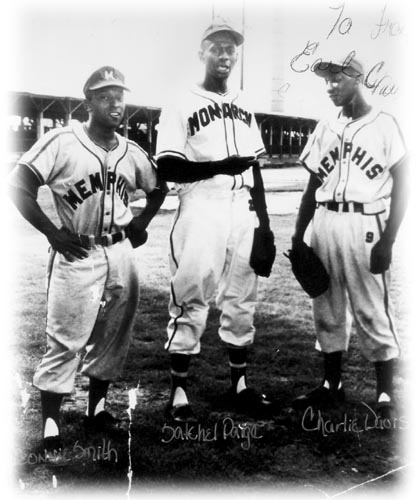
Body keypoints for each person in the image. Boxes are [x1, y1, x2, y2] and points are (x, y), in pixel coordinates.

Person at [9, 66, 167, 452]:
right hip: (77, 250)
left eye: (120, 95)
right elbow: (18, 185)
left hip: (120, 251)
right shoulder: (62, 141)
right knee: (65, 337)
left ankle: (95, 410)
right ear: (88, 102)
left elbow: (158, 187)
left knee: (115, 333)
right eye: (104, 95)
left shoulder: (132, 151)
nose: (115, 103)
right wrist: (52, 232)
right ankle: (50, 423)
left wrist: (141, 222)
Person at [156, 22, 273, 424]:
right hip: (202, 205)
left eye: (231, 50)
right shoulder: (181, 101)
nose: (225, 56)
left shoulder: (243, 102)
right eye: (217, 48)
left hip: (242, 207)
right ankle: (179, 394)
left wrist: (266, 226)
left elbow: (254, 170)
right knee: (192, 294)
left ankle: (239, 386)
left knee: (241, 298)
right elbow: (168, 164)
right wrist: (220, 166)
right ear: (201, 53)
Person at [291, 54, 408, 419]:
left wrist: (388, 240)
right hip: (326, 221)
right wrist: (298, 236)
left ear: (357, 77)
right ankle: (332, 385)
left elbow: (405, 182)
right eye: (325, 80)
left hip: (367, 222)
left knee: (372, 308)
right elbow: (312, 185)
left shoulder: (385, 124)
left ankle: (386, 392)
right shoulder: (325, 126)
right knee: (325, 306)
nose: (329, 86)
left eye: (337, 78)